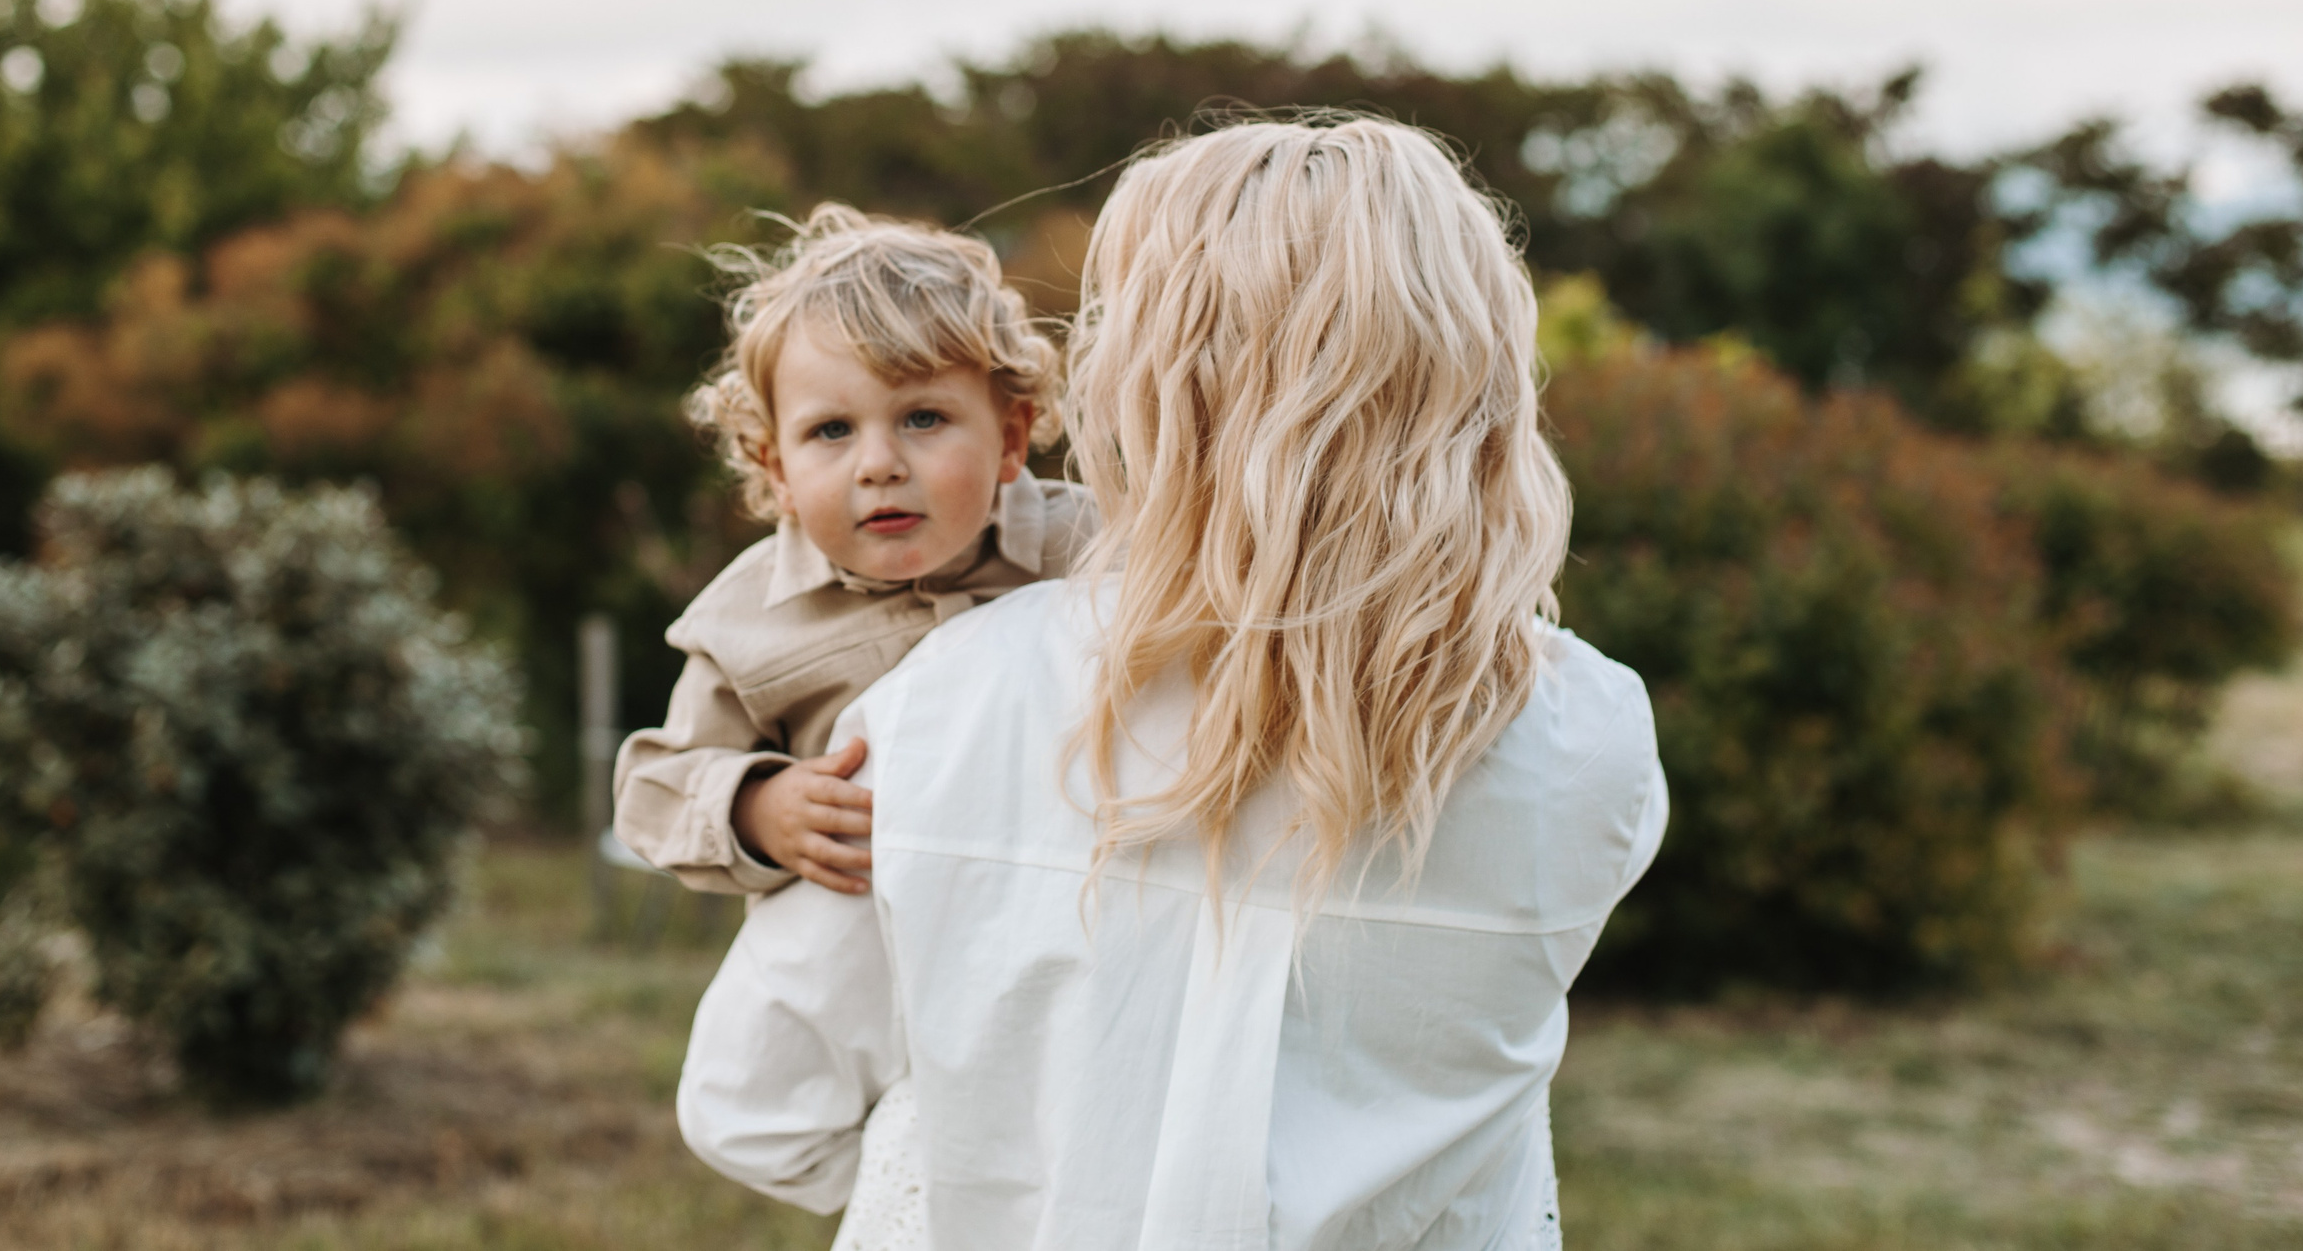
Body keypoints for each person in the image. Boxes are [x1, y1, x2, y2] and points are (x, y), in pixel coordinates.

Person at [677, 116, 1669, 1250]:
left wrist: (980, 1159)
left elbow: (755, 1109)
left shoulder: (949, 694)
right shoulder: (1587, 734)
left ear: (1160, 380)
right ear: (1476, 369)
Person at [613, 203, 1093, 898]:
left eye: (923, 418)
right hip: (860, 971)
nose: (878, 464)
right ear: (776, 466)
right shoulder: (747, 619)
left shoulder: (1090, 549)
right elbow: (652, 793)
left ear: (1011, 436)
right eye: (832, 430)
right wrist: (757, 807)